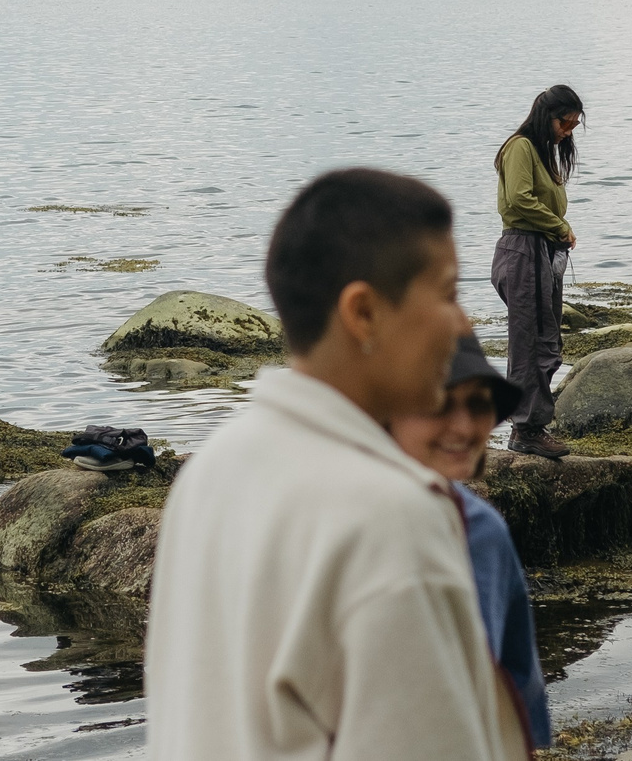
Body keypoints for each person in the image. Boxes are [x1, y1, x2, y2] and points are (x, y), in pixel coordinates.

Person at [145, 168, 529, 761]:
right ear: (363, 313)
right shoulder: (390, 516)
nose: (463, 325)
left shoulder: (210, 473)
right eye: (448, 293)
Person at [391, 332, 554, 748]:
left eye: (479, 405)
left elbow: (504, 688)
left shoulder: (477, 529)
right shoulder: (339, 518)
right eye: (439, 403)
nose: (463, 426)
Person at [492, 84, 584, 458]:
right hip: (522, 249)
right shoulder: (520, 147)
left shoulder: (544, 152)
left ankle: (531, 425)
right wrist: (559, 227)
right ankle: (525, 429)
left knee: (548, 340)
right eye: (565, 123)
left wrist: (556, 233)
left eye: (574, 126)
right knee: (528, 342)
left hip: (541, 250)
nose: (568, 131)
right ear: (548, 116)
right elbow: (518, 199)